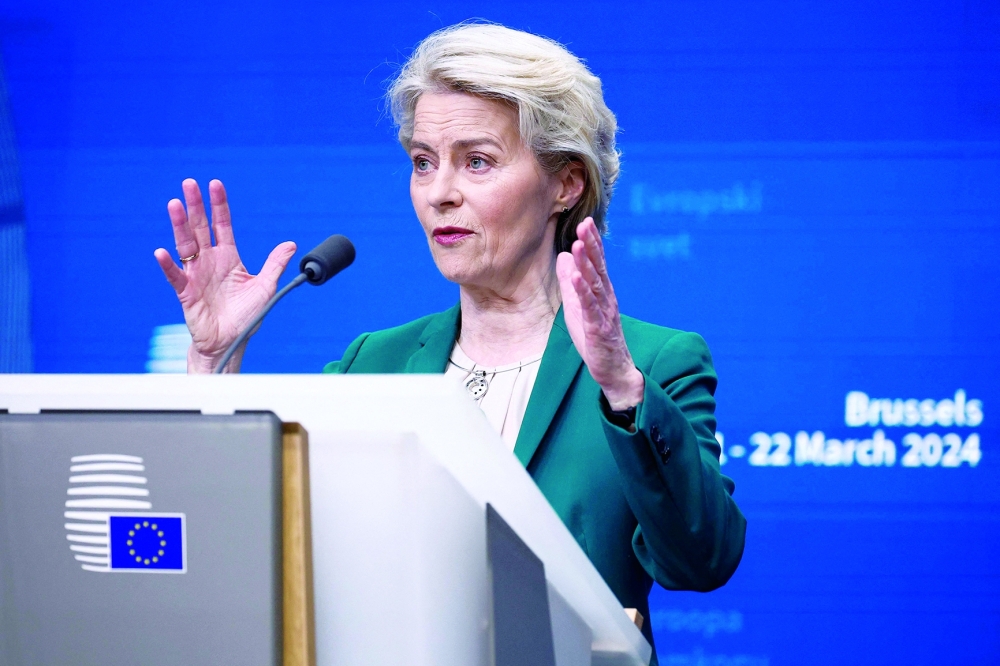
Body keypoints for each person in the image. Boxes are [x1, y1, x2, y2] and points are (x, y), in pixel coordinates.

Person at [155, 22, 746, 659]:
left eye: (478, 161)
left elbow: (701, 559)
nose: (439, 193)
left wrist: (622, 386)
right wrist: (212, 364)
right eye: (423, 163)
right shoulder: (372, 364)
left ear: (566, 183)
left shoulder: (656, 363)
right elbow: (250, 546)